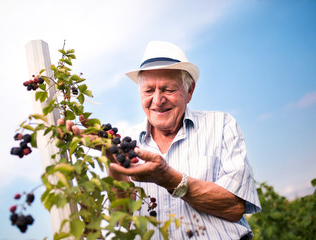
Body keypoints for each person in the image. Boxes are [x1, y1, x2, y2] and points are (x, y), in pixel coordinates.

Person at [107, 41, 262, 239]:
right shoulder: (125, 144)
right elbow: (124, 219)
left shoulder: (221, 125)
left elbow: (234, 207)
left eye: (168, 89)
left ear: (189, 91)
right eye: (148, 91)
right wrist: (110, 160)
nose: (157, 100)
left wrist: (170, 179)